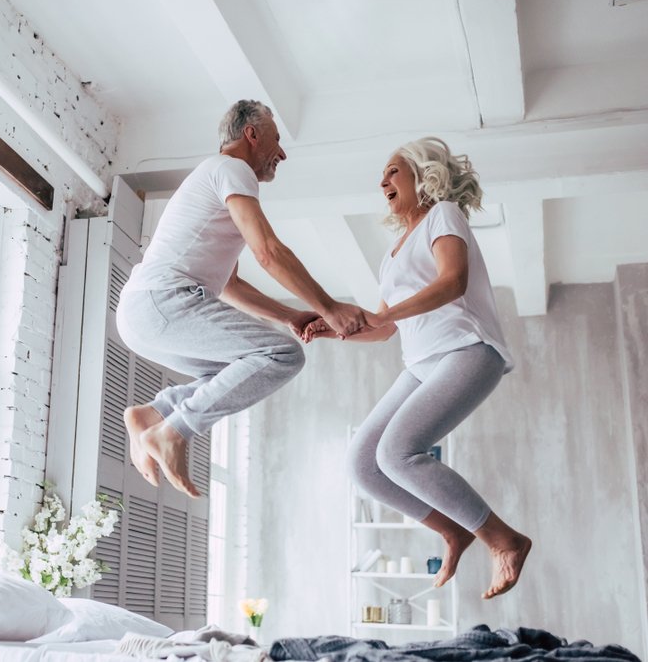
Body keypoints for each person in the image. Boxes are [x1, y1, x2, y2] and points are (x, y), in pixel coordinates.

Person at [306, 137, 531, 599]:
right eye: (382, 175)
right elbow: (384, 328)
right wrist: (333, 329)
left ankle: (503, 539)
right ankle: (453, 530)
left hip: (467, 350)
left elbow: (453, 281)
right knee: (363, 463)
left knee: (397, 452)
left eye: (392, 171)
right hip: (421, 363)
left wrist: (382, 315)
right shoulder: (391, 252)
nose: (382, 181)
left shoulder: (443, 214)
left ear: (421, 173)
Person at [116, 99, 367, 498]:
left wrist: (288, 316)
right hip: (162, 301)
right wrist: (329, 308)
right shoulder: (231, 169)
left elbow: (230, 284)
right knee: (283, 355)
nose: (281, 153)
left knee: (237, 371)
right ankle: (174, 431)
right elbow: (268, 251)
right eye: (277, 140)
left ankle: (155, 414)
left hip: (143, 311)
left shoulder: (213, 179)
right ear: (252, 134)